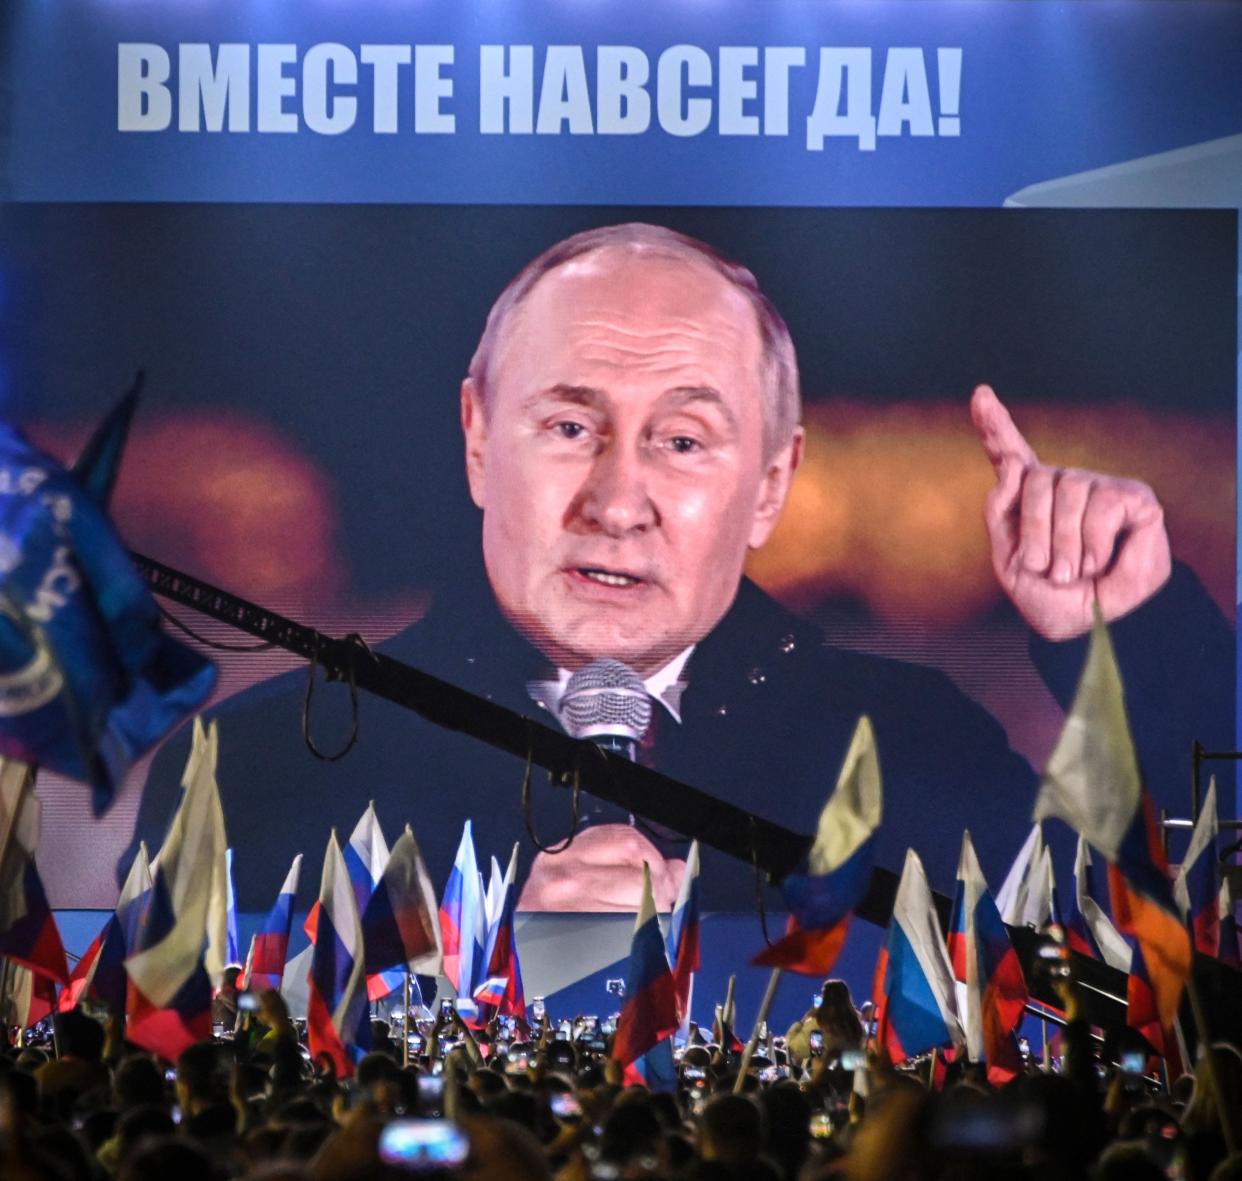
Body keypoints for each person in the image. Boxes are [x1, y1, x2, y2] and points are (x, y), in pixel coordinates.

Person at [127, 222, 1232, 914]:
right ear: (475, 436)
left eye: (684, 441)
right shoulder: (260, 761)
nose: (616, 501)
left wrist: (1137, 635)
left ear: (769, 483)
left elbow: (1163, 965)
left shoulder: (906, 742)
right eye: (568, 426)